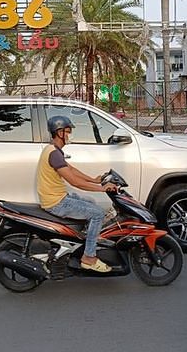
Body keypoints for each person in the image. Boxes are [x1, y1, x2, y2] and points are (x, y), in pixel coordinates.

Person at [37, 115, 118, 273]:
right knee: (98, 214)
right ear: (59, 132)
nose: (70, 135)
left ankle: (85, 240)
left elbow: (71, 169)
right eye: (68, 131)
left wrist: (94, 180)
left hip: (58, 197)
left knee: (90, 201)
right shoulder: (54, 153)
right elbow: (75, 182)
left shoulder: (53, 150)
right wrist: (103, 189)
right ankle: (89, 257)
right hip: (57, 202)